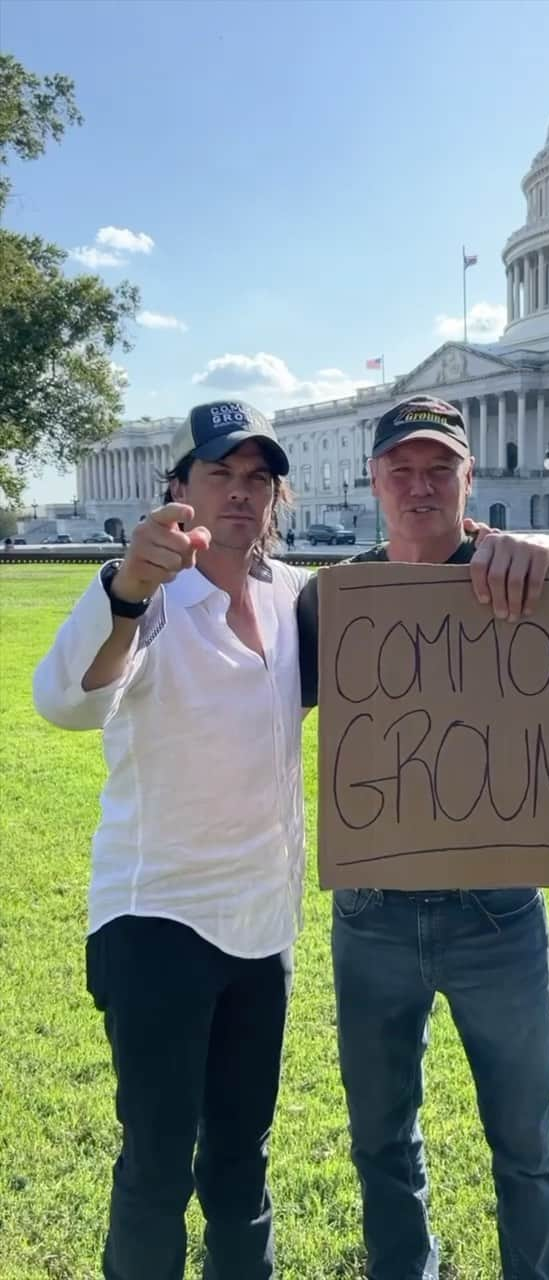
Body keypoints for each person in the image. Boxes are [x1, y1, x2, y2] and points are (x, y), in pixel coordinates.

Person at [297, 395, 549, 1280]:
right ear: (375, 481)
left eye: (439, 468)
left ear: (469, 481)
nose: (419, 484)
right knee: (380, 1139)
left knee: (527, 1141)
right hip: (372, 917)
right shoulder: (334, 597)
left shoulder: (516, 570)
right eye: (401, 469)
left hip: (496, 915)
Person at [33, 400, 311, 1280]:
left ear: (275, 497)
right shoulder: (147, 590)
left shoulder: (293, 596)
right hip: (157, 923)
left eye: (257, 477)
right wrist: (123, 594)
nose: (240, 492)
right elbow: (67, 701)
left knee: (242, 1159)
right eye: (220, 473)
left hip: (263, 926)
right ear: (180, 487)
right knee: (156, 1163)